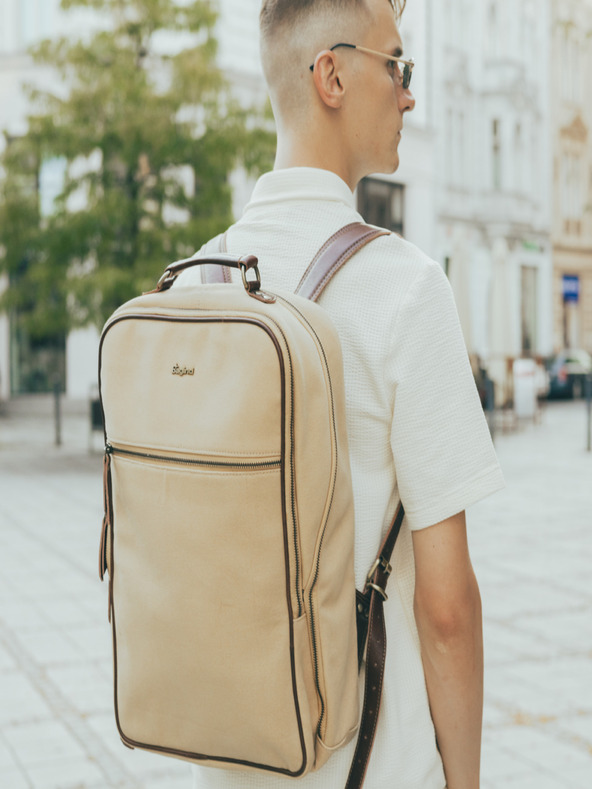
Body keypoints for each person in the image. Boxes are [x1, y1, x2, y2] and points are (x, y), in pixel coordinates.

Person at [185, 1, 505, 787]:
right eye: (396, 64)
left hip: (226, 759)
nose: (408, 93)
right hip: (368, 768)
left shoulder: (197, 282)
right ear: (331, 74)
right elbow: (446, 608)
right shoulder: (406, 289)